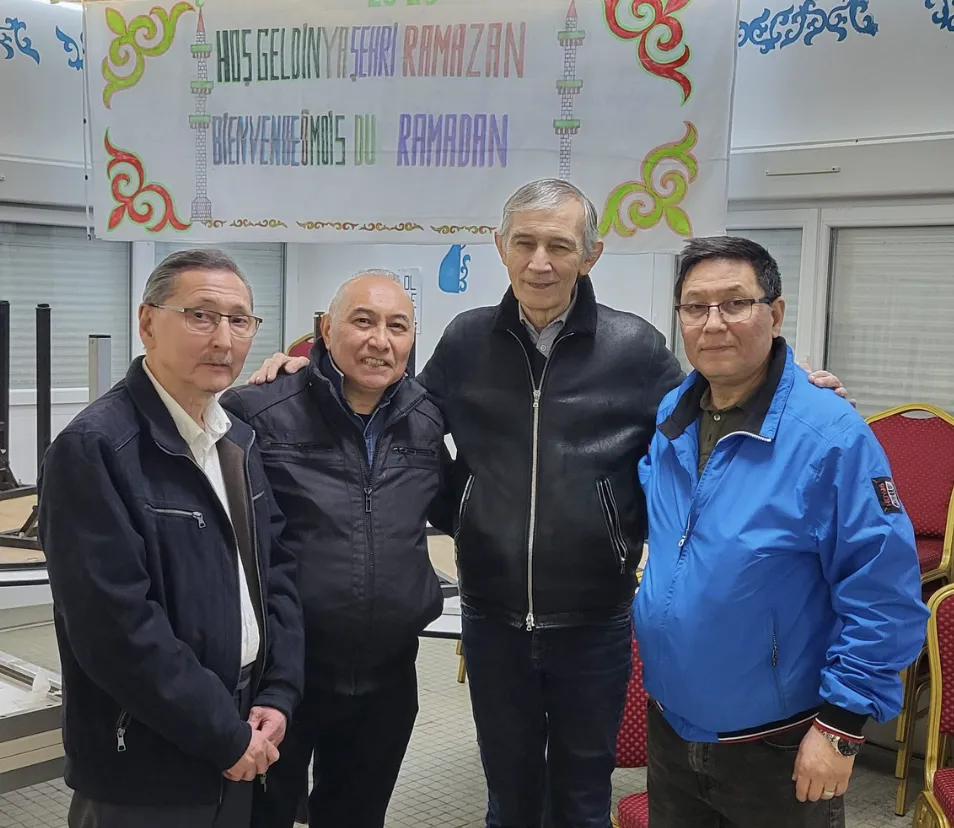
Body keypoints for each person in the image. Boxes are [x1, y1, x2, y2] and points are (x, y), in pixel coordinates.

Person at [250, 180, 845, 827]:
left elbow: (711, 403)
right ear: (500, 247)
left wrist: (789, 385)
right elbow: (397, 408)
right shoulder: (467, 341)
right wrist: (309, 372)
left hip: (594, 620)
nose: (540, 262)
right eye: (525, 243)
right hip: (492, 619)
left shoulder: (634, 346)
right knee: (509, 798)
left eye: (559, 246)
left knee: (582, 798)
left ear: (590, 255)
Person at [634, 236, 928, 827]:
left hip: (778, 742)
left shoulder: (830, 437)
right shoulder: (672, 416)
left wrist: (841, 728)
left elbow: (884, 594)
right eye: (695, 306)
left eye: (734, 303)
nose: (713, 323)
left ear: (775, 312)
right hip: (672, 723)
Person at [37, 249, 304, 828]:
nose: (223, 339)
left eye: (239, 320)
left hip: (243, 722)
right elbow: (116, 631)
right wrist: (224, 736)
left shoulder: (237, 441)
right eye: (200, 315)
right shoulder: (95, 450)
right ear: (148, 322)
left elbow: (275, 572)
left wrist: (277, 694)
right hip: (144, 752)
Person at [222, 271, 445, 828]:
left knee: (357, 815)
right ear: (326, 329)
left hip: (388, 675)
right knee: (261, 815)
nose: (380, 340)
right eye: (363, 321)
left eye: (398, 326)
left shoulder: (425, 418)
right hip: (283, 674)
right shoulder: (258, 412)